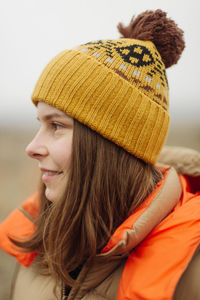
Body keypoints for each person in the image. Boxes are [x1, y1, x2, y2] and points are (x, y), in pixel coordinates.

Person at [0, 9, 200, 300]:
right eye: (39, 123)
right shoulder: (39, 246)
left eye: (56, 125)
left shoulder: (190, 272)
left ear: (110, 144)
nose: (32, 147)